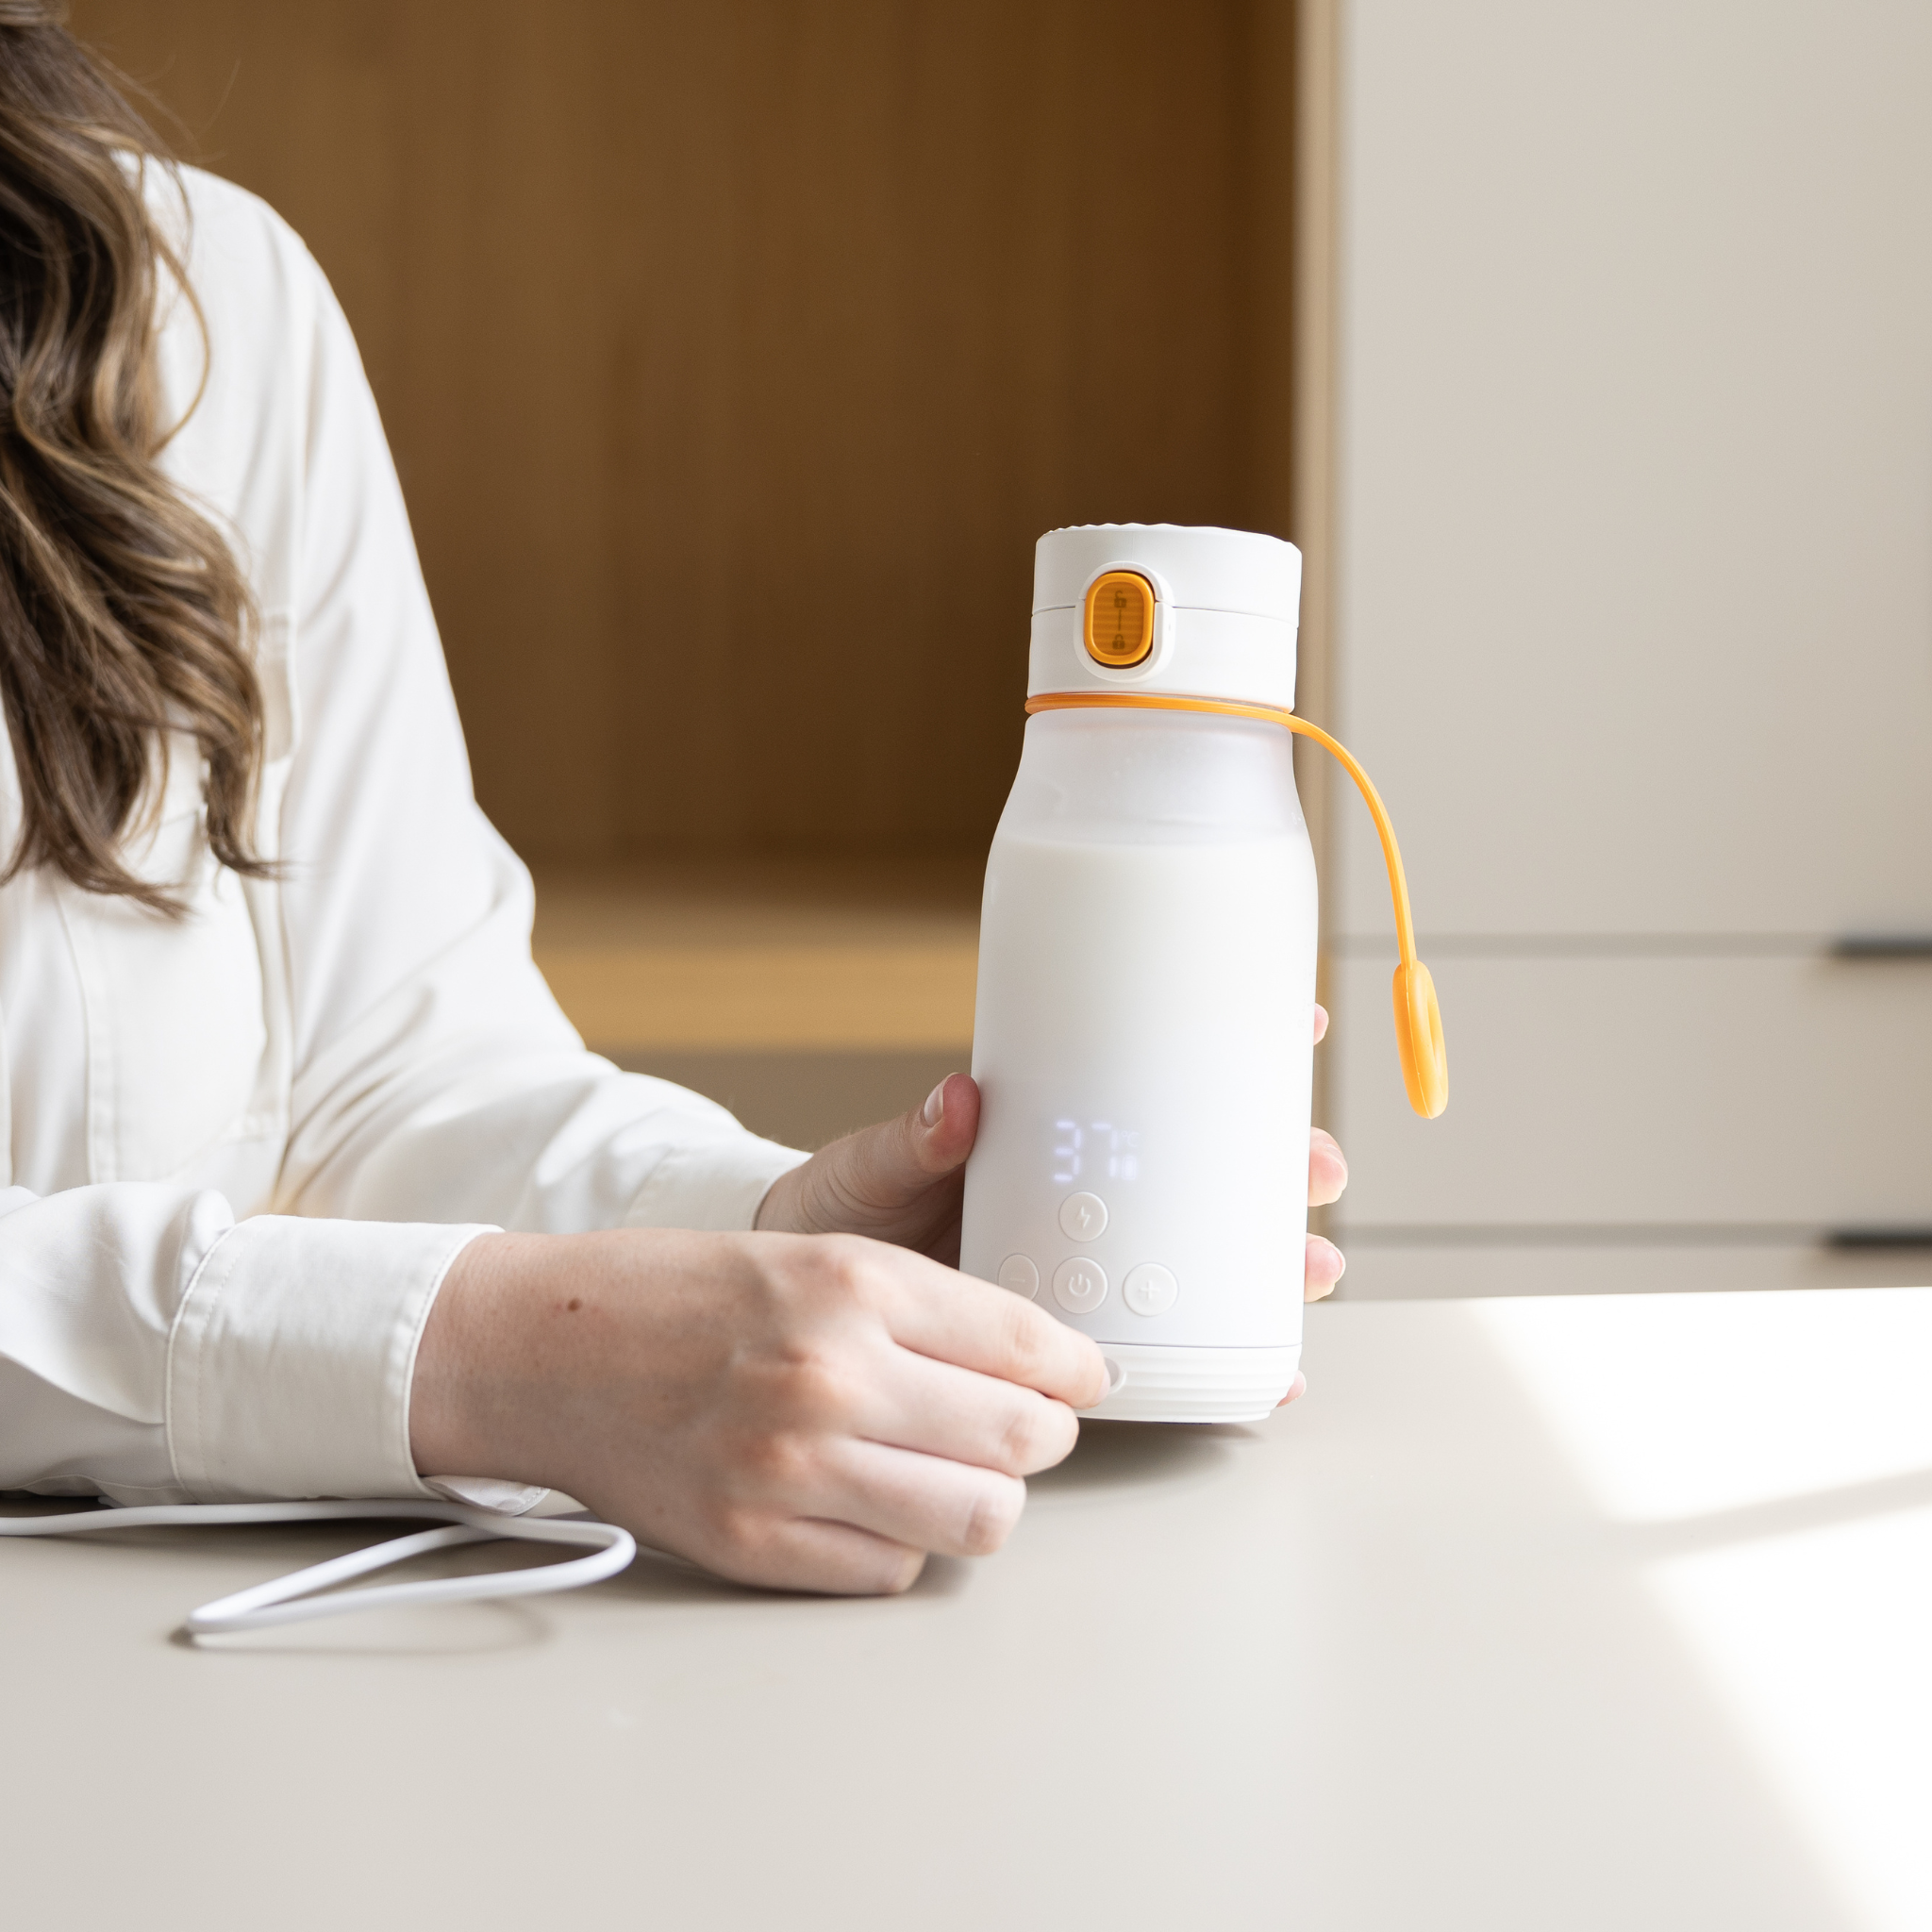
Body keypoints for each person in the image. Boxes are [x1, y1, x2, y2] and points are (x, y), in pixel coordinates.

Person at [0, 8, 1349, 1595]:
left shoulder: (197, 295)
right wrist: (478, 1360)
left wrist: (774, 1239)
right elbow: (458, 1337)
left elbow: (386, 1066)